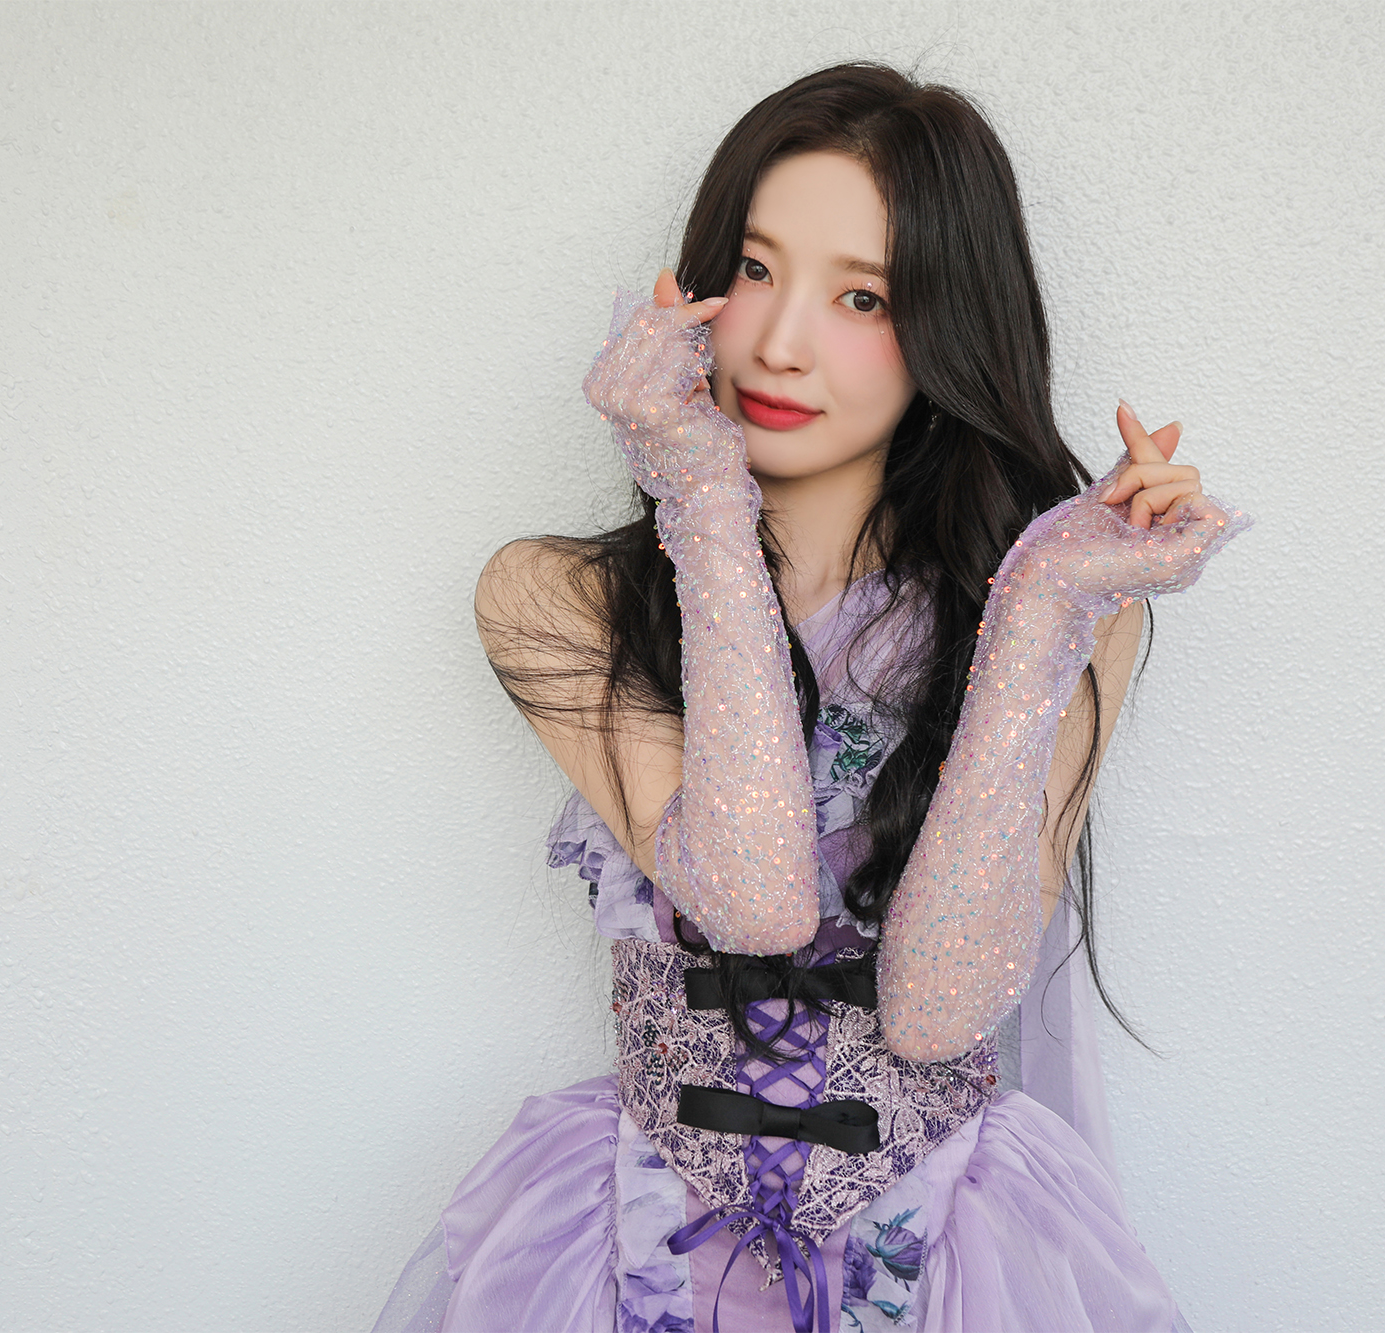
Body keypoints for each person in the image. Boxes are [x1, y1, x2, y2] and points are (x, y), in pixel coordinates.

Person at [373, 62, 1250, 1333]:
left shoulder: (1071, 615)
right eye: (754, 269)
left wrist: (1039, 610)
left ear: (949, 327)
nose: (778, 343)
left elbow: (939, 1005)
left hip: (945, 1258)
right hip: (631, 1247)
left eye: (860, 297)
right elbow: (752, 899)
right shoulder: (556, 599)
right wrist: (698, 489)